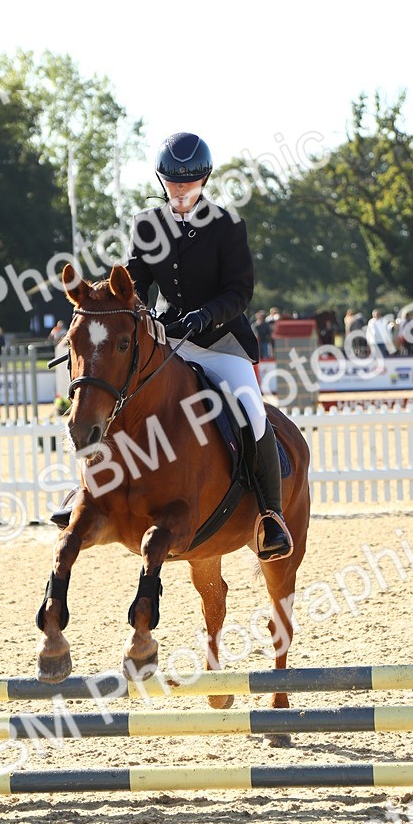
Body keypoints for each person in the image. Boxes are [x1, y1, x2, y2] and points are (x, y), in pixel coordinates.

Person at [124, 131, 292, 559]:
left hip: (222, 344)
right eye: (173, 183)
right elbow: (134, 286)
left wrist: (206, 315)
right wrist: (140, 313)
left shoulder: (226, 225)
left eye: (189, 183)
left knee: (252, 411)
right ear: (162, 180)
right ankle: (86, 493)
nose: (180, 191)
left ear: (204, 180)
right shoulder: (147, 225)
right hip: (170, 343)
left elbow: (240, 291)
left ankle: (271, 515)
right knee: (120, 398)